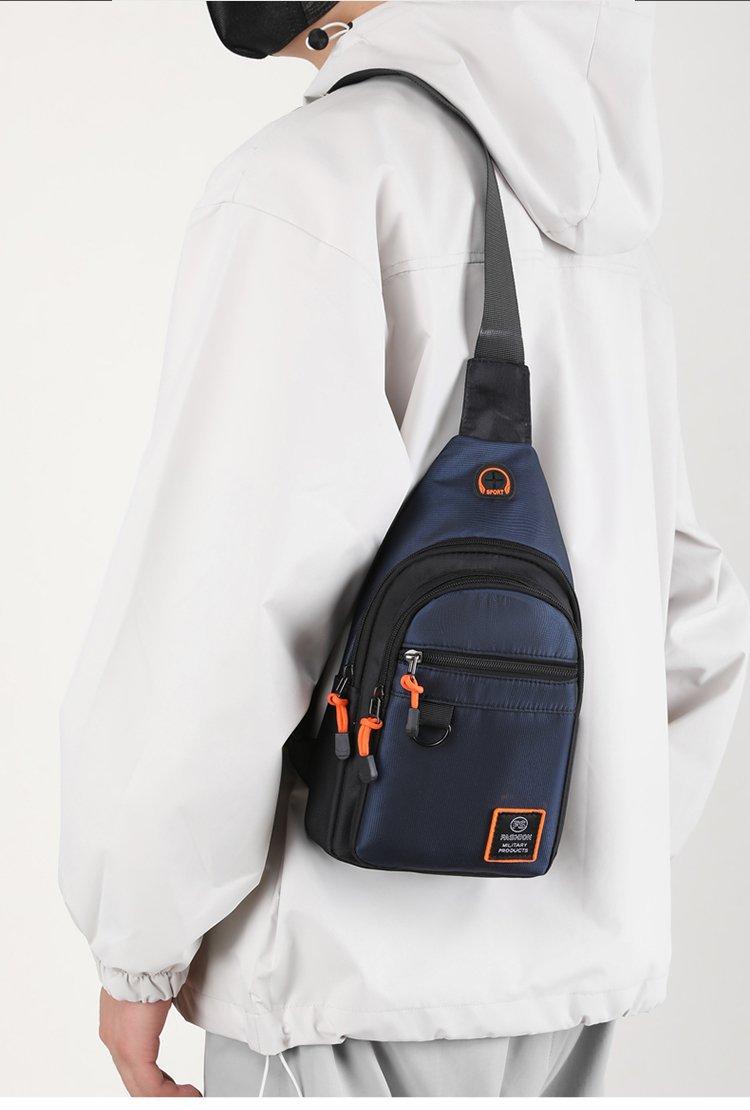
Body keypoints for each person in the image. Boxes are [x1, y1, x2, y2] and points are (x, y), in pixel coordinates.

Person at [59, 0, 750, 1098]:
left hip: (344, 992)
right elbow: (694, 610)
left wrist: (136, 945)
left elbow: (217, 618)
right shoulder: (609, 232)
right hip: (574, 995)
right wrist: (594, 863)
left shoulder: (314, 185)